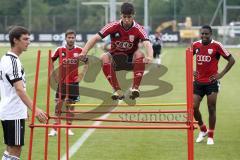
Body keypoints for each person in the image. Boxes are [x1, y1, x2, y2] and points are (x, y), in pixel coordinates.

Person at [79, 2, 153, 100]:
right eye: (124, 16)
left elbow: (147, 43)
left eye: (129, 17)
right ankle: (117, 90)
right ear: (121, 15)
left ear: (133, 15)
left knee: (140, 53)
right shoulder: (113, 26)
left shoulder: (139, 28)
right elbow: (96, 38)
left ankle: (135, 88)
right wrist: (84, 52)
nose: (126, 20)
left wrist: (150, 56)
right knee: (103, 57)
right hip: (116, 58)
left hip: (131, 59)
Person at [0, 26, 48, 160]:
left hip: (10, 109)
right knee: (15, 149)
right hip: (12, 111)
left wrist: (23, 108)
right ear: (15, 40)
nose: (29, 42)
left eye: (29, 39)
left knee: (11, 148)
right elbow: (19, 89)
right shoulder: (13, 61)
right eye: (25, 39)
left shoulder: (6, 58)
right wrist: (35, 110)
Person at [192, 25, 235, 145]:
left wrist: (220, 74)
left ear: (211, 34)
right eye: (202, 34)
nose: (204, 36)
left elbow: (231, 60)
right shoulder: (195, 45)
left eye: (206, 34)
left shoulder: (217, 45)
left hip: (211, 83)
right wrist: (191, 70)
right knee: (193, 107)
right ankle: (203, 129)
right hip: (198, 83)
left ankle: (210, 136)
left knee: (211, 108)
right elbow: (187, 57)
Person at [48, 29, 88, 136]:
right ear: (65, 38)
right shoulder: (59, 49)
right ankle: (55, 129)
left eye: (72, 37)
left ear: (75, 38)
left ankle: (68, 128)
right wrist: (53, 74)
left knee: (71, 105)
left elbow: (87, 62)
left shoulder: (80, 50)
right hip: (62, 82)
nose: (71, 39)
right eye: (69, 37)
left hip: (73, 83)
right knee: (58, 105)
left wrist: (81, 75)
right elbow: (50, 60)